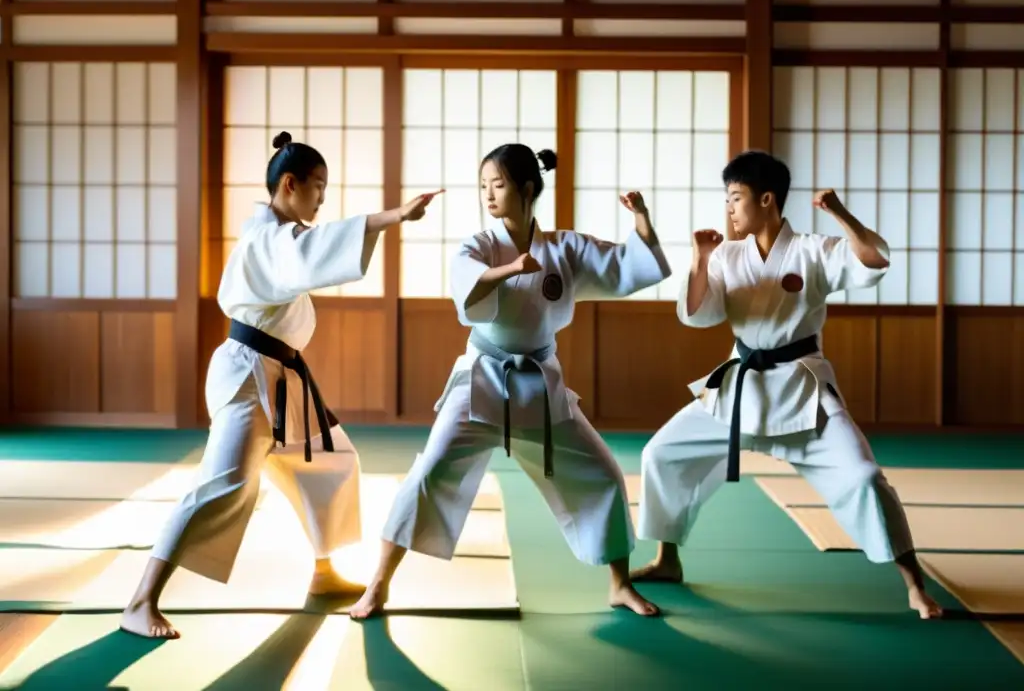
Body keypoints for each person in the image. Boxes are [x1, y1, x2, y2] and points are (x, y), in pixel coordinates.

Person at [120, 131, 442, 639]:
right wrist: (392, 217)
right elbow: (314, 251)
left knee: (330, 462)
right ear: (289, 184)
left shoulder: (277, 237)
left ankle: (323, 572)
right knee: (221, 486)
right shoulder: (268, 240)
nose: (320, 198)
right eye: (317, 186)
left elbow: (311, 255)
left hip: (279, 378)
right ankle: (141, 600)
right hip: (249, 377)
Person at [348, 144, 671, 620]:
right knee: (431, 470)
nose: (488, 195)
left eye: (497, 185)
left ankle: (619, 584)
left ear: (527, 188)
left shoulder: (565, 248)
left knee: (602, 473)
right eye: (483, 186)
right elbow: (467, 283)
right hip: (481, 380)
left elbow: (626, 266)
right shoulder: (479, 244)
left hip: (540, 386)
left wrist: (642, 221)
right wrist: (510, 270)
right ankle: (378, 584)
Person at [631, 150, 943, 620]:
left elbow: (874, 261)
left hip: (802, 389)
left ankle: (914, 583)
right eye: (728, 199)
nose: (730, 209)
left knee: (862, 476)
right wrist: (700, 260)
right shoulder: (727, 255)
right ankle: (667, 559)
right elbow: (700, 315)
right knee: (661, 453)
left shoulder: (813, 249)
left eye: (736, 198)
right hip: (739, 387)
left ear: (768, 199)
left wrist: (839, 213)